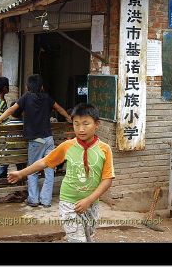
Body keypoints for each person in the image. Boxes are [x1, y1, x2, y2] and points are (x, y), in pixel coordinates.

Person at [8, 103, 115, 242]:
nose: (81, 129)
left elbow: (108, 179)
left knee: (89, 238)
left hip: (92, 203)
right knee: (77, 240)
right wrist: (21, 173)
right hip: (68, 202)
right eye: (76, 124)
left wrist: (89, 200)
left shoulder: (104, 149)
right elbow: (44, 162)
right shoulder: (67, 146)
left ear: (97, 124)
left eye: (85, 124)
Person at [0, 74, 72, 208]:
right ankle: (46, 201)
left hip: (36, 141)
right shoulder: (47, 97)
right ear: (42, 87)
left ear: (27, 87)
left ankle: (33, 199)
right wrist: (69, 118)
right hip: (48, 139)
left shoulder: (26, 97)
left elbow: (11, 110)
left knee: (32, 170)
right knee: (49, 170)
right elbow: (59, 108)